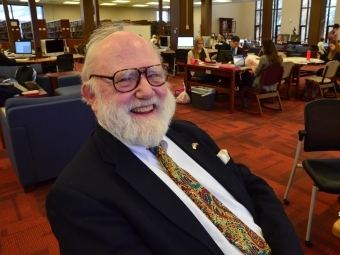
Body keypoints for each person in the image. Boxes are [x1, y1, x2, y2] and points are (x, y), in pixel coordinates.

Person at [46, 25, 303, 255]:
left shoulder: (187, 132)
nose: (146, 91)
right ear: (91, 95)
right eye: (125, 78)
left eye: (154, 74)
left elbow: (251, 185)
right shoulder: (79, 196)